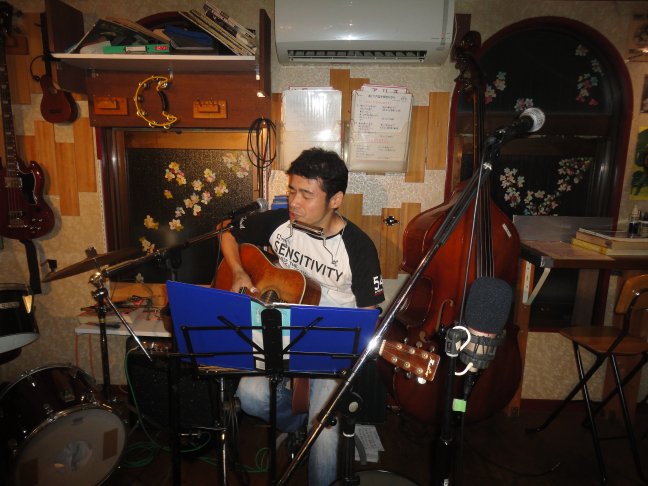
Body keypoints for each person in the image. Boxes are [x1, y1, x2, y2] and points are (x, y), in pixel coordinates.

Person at [219, 147, 384, 486]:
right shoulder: (281, 223)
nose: (293, 202)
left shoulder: (359, 248)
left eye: (306, 195)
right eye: (292, 190)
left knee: (324, 433)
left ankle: (313, 430)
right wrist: (238, 271)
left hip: (328, 349)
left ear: (335, 200)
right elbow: (226, 232)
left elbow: (368, 320)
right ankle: (298, 426)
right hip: (278, 337)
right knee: (249, 397)